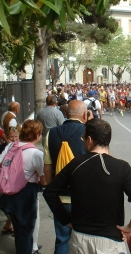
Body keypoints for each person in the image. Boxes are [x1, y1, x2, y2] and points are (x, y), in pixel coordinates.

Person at [43, 118, 131, 254]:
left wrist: (66, 220)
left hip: (80, 240)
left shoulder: (75, 164)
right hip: (110, 242)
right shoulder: (122, 167)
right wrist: (130, 227)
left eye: (83, 138)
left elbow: (49, 192)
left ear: (90, 140)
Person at [43, 100, 89, 254]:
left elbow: (48, 168)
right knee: (84, 240)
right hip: (82, 197)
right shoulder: (88, 133)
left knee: (62, 239)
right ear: (85, 115)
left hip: (60, 197)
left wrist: (53, 191)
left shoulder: (52, 134)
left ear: (66, 113)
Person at [0, 120, 46, 254]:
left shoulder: (12, 145)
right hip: (26, 194)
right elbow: (44, 181)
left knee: (18, 229)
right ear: (37, 134)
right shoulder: (37, 154)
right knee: (26, 230)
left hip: (9, 192)